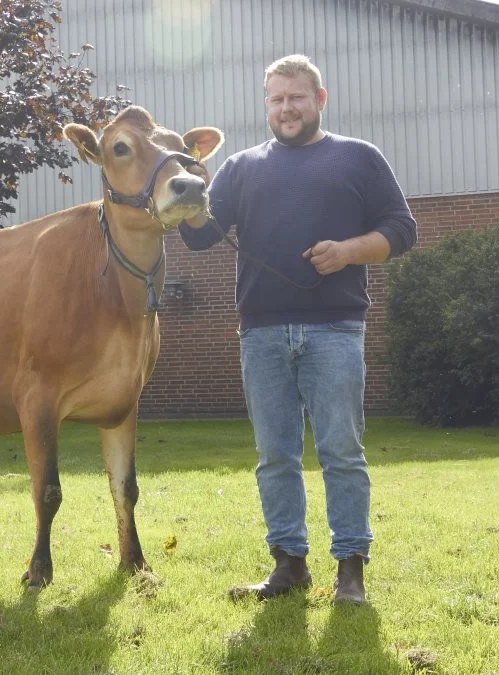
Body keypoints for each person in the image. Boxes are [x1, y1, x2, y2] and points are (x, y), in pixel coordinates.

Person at [180, 54, 417, 605]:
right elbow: (199, 238)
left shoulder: (358, 158)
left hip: (335, 328)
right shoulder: (241, 167)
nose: (286, 108)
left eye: (296, 98)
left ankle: (351, 571)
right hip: (261, 333)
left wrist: (349, 251)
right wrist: (187, 195)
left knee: (341, 451)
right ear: (267, 104)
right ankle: (289, 565)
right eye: (276, 99)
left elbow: (403, 230)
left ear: (320, 99)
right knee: (276, 455)